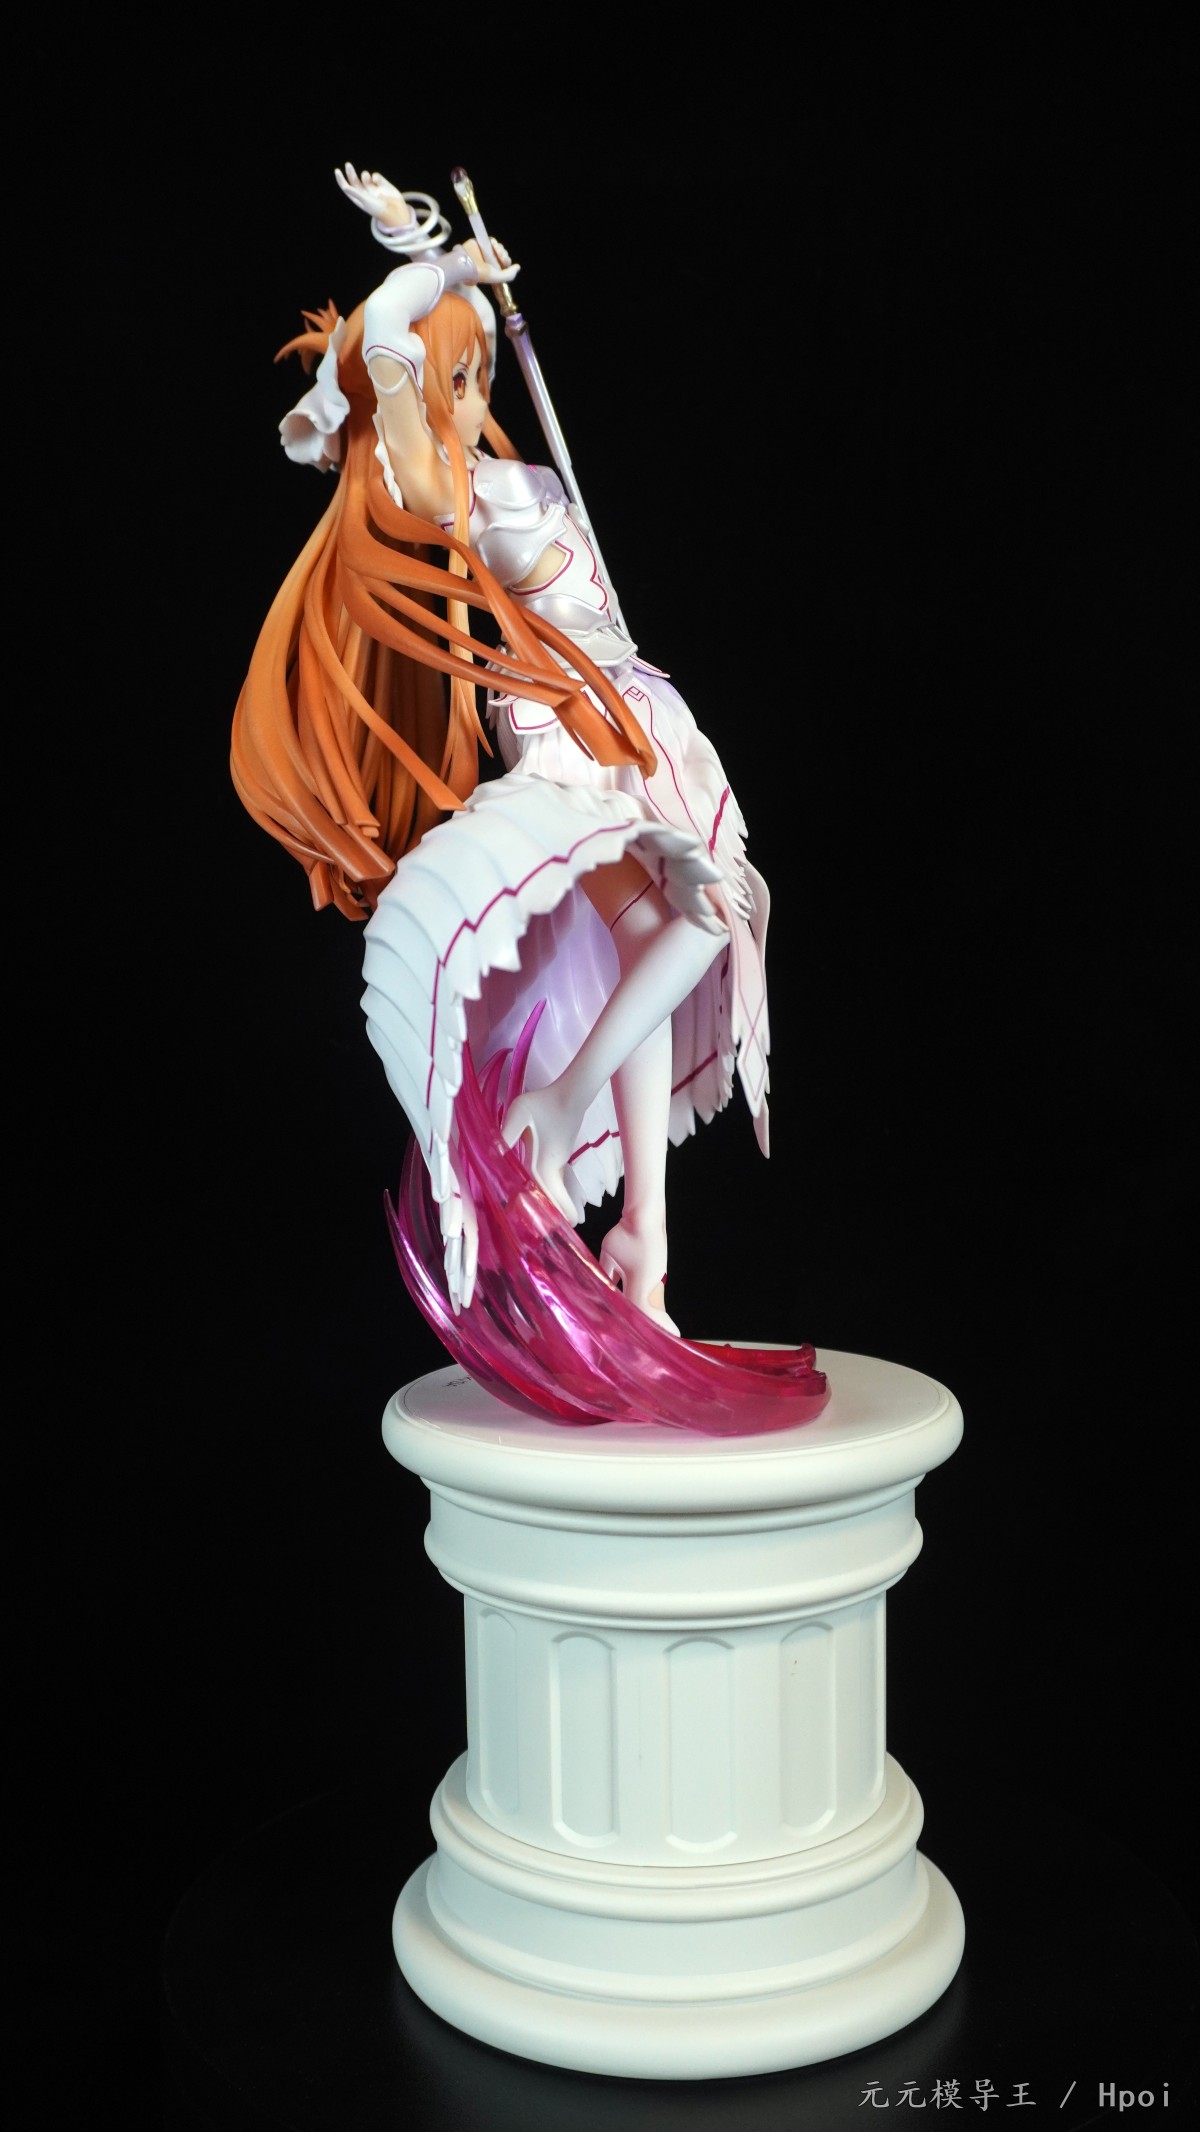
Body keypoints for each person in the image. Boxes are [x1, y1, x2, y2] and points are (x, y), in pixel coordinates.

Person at [232, 166, 771, 1344]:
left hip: (634, 710)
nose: (473, 398)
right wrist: (427, 268)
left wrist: (464, 281)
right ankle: (556, 1105)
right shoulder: (441, 489)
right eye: (453, 379)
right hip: (565, 728)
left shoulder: (508, 470)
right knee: (697, 914)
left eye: (478, 375)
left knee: (655, 936)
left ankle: (648, 1245)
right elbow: (386, 340)